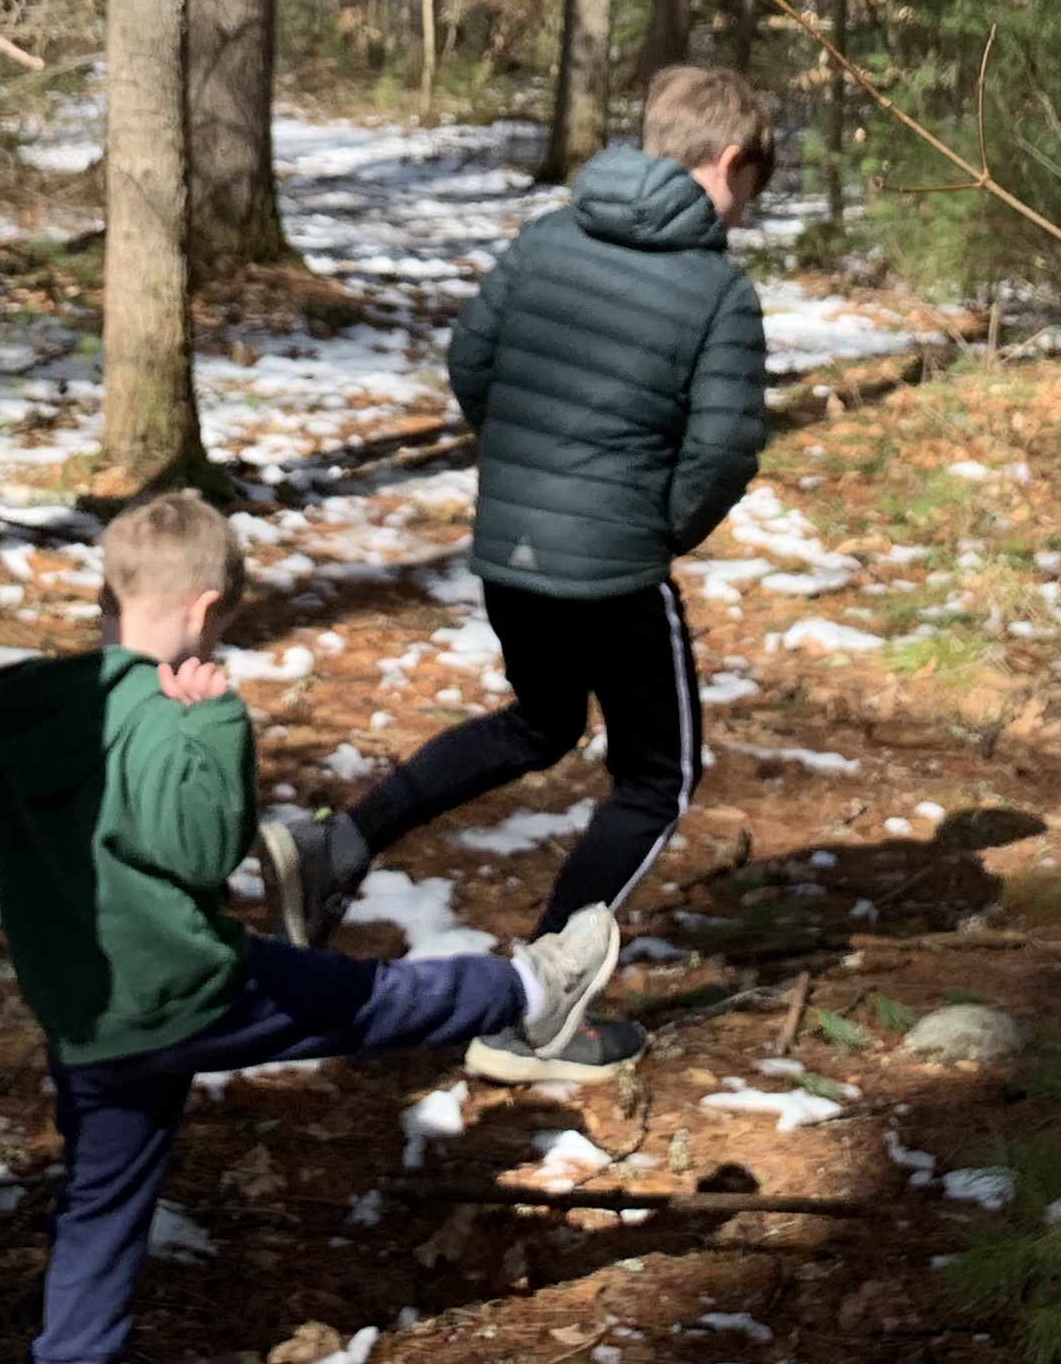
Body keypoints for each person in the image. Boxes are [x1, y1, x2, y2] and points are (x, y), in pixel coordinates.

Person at [0, 495, 629, 1364]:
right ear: (204, 611)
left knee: (101, 1201)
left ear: (108, 598)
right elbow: (202, 851)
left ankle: (73, 1353)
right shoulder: (164, 720)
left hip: (85, 1019)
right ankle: (529, 990)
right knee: (372, 998)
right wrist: (215, 723)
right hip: (191, 994)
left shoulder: (37, 714)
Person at [258, 65, 774, 977]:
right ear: (729, 161)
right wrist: (651, 529)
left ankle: (341, 844)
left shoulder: (545, 238)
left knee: (542, 723)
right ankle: (543, 993)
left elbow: (472, 359)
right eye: (752, 191)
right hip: (611, 570)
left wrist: (525, 470)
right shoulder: (715, 291)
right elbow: (723, 451)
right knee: (661, 778)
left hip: (511, 550)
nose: (745, 215)